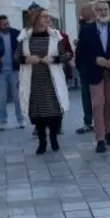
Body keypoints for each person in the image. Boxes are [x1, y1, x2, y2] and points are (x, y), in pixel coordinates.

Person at [16, 8, 71, 154]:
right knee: (37, 114)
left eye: (48, 17)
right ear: (35, 19)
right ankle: (42, 141)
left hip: (51, 81)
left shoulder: (55, 36)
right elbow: (17, 57)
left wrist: (54, 59)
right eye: (44, 17)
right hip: (33, 81)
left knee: (54, 113)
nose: (48, 19)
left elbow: (65, 56)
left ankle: (53, 138)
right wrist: (27, 59)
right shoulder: (25, 37)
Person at [75, 1, 110, 153]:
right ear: (94, 12)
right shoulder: (86, 30)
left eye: (106, 10)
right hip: (94, 72)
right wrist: (95, 59)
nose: (103, 12)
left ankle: (109, 131)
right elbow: (81, 53)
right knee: (98, 104)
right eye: (100, 10)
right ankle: (100, 138)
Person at [0, 15, 25, 130]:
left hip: (14, 70)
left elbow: (22, 48)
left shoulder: (16, 34)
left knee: (17, 97)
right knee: (2, 97)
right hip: (1, 71)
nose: (7, 26)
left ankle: (20, 119)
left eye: (8, 23)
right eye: (4, 24)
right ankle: (3, 121)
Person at [74, 4, 96, 134]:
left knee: (96, 97)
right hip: (84, 68)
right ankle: (88, 122)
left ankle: (98, 122)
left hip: (94, 67)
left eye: (83, 10)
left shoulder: (96, 26)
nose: (81, 13)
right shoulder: (83, 26)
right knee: (86, 96)